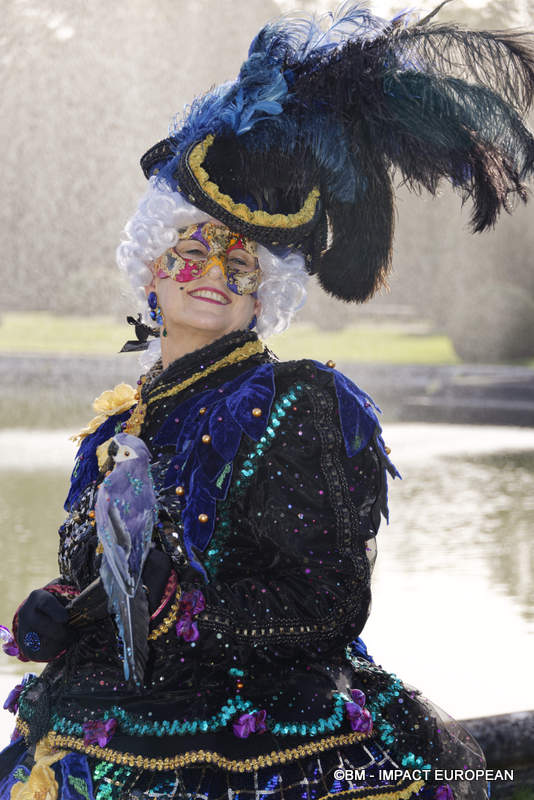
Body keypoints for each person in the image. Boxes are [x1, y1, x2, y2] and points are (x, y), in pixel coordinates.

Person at [1, 4, 533, 799]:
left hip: (258, 743)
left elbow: (329, 602)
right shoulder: (119, 419)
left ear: (266, 293)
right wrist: (68, 605)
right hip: (95, 715)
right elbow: (109, 578)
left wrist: (179, 614)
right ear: (150, 270)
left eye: (242, 261)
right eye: (192, 251)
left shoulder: (299, 404)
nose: (216, 271)